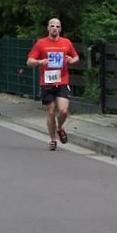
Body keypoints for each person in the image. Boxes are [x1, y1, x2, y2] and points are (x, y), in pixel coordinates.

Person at [26, 18, 79, 150]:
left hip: (62, 81)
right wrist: (40, 62)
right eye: (52, 26)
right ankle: (52, 139)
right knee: (50, 112)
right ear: (48, 28)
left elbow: (76, 57)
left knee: (63, 111)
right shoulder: (41, 43)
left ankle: (59, 128)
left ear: (60, 29)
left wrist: (71, 60)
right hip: (47, 82)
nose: (55, 28)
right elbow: (29, 61)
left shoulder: (66, 42)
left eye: (57, 26)